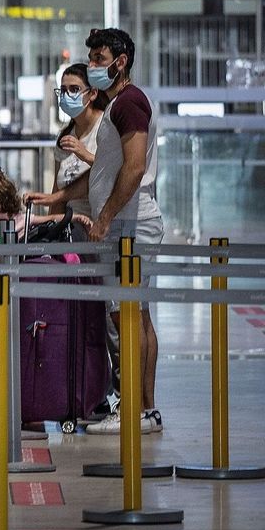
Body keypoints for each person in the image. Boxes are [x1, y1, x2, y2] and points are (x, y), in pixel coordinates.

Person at [24, 28, 164, 435]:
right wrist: (57, 199)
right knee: (136, 316)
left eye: (100, 58)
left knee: (128, 318)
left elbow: (133, 168)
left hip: (128, 224)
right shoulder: (118, 105)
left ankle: (134, 411)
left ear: (120, 62)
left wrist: (104, 219)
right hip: (126, 221)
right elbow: (102, 174)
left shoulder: (129, 104)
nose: (94, 65)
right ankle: (146, 410)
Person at [49, 63, 108, 225]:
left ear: (93, 93)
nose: (67, 95)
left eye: (74, 89)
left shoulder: (106, 126)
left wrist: (85, 154)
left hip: (101, 223)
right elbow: (57, 193)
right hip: (71, 226)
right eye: (63, 90)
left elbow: (114, 171)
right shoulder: (65, 135)